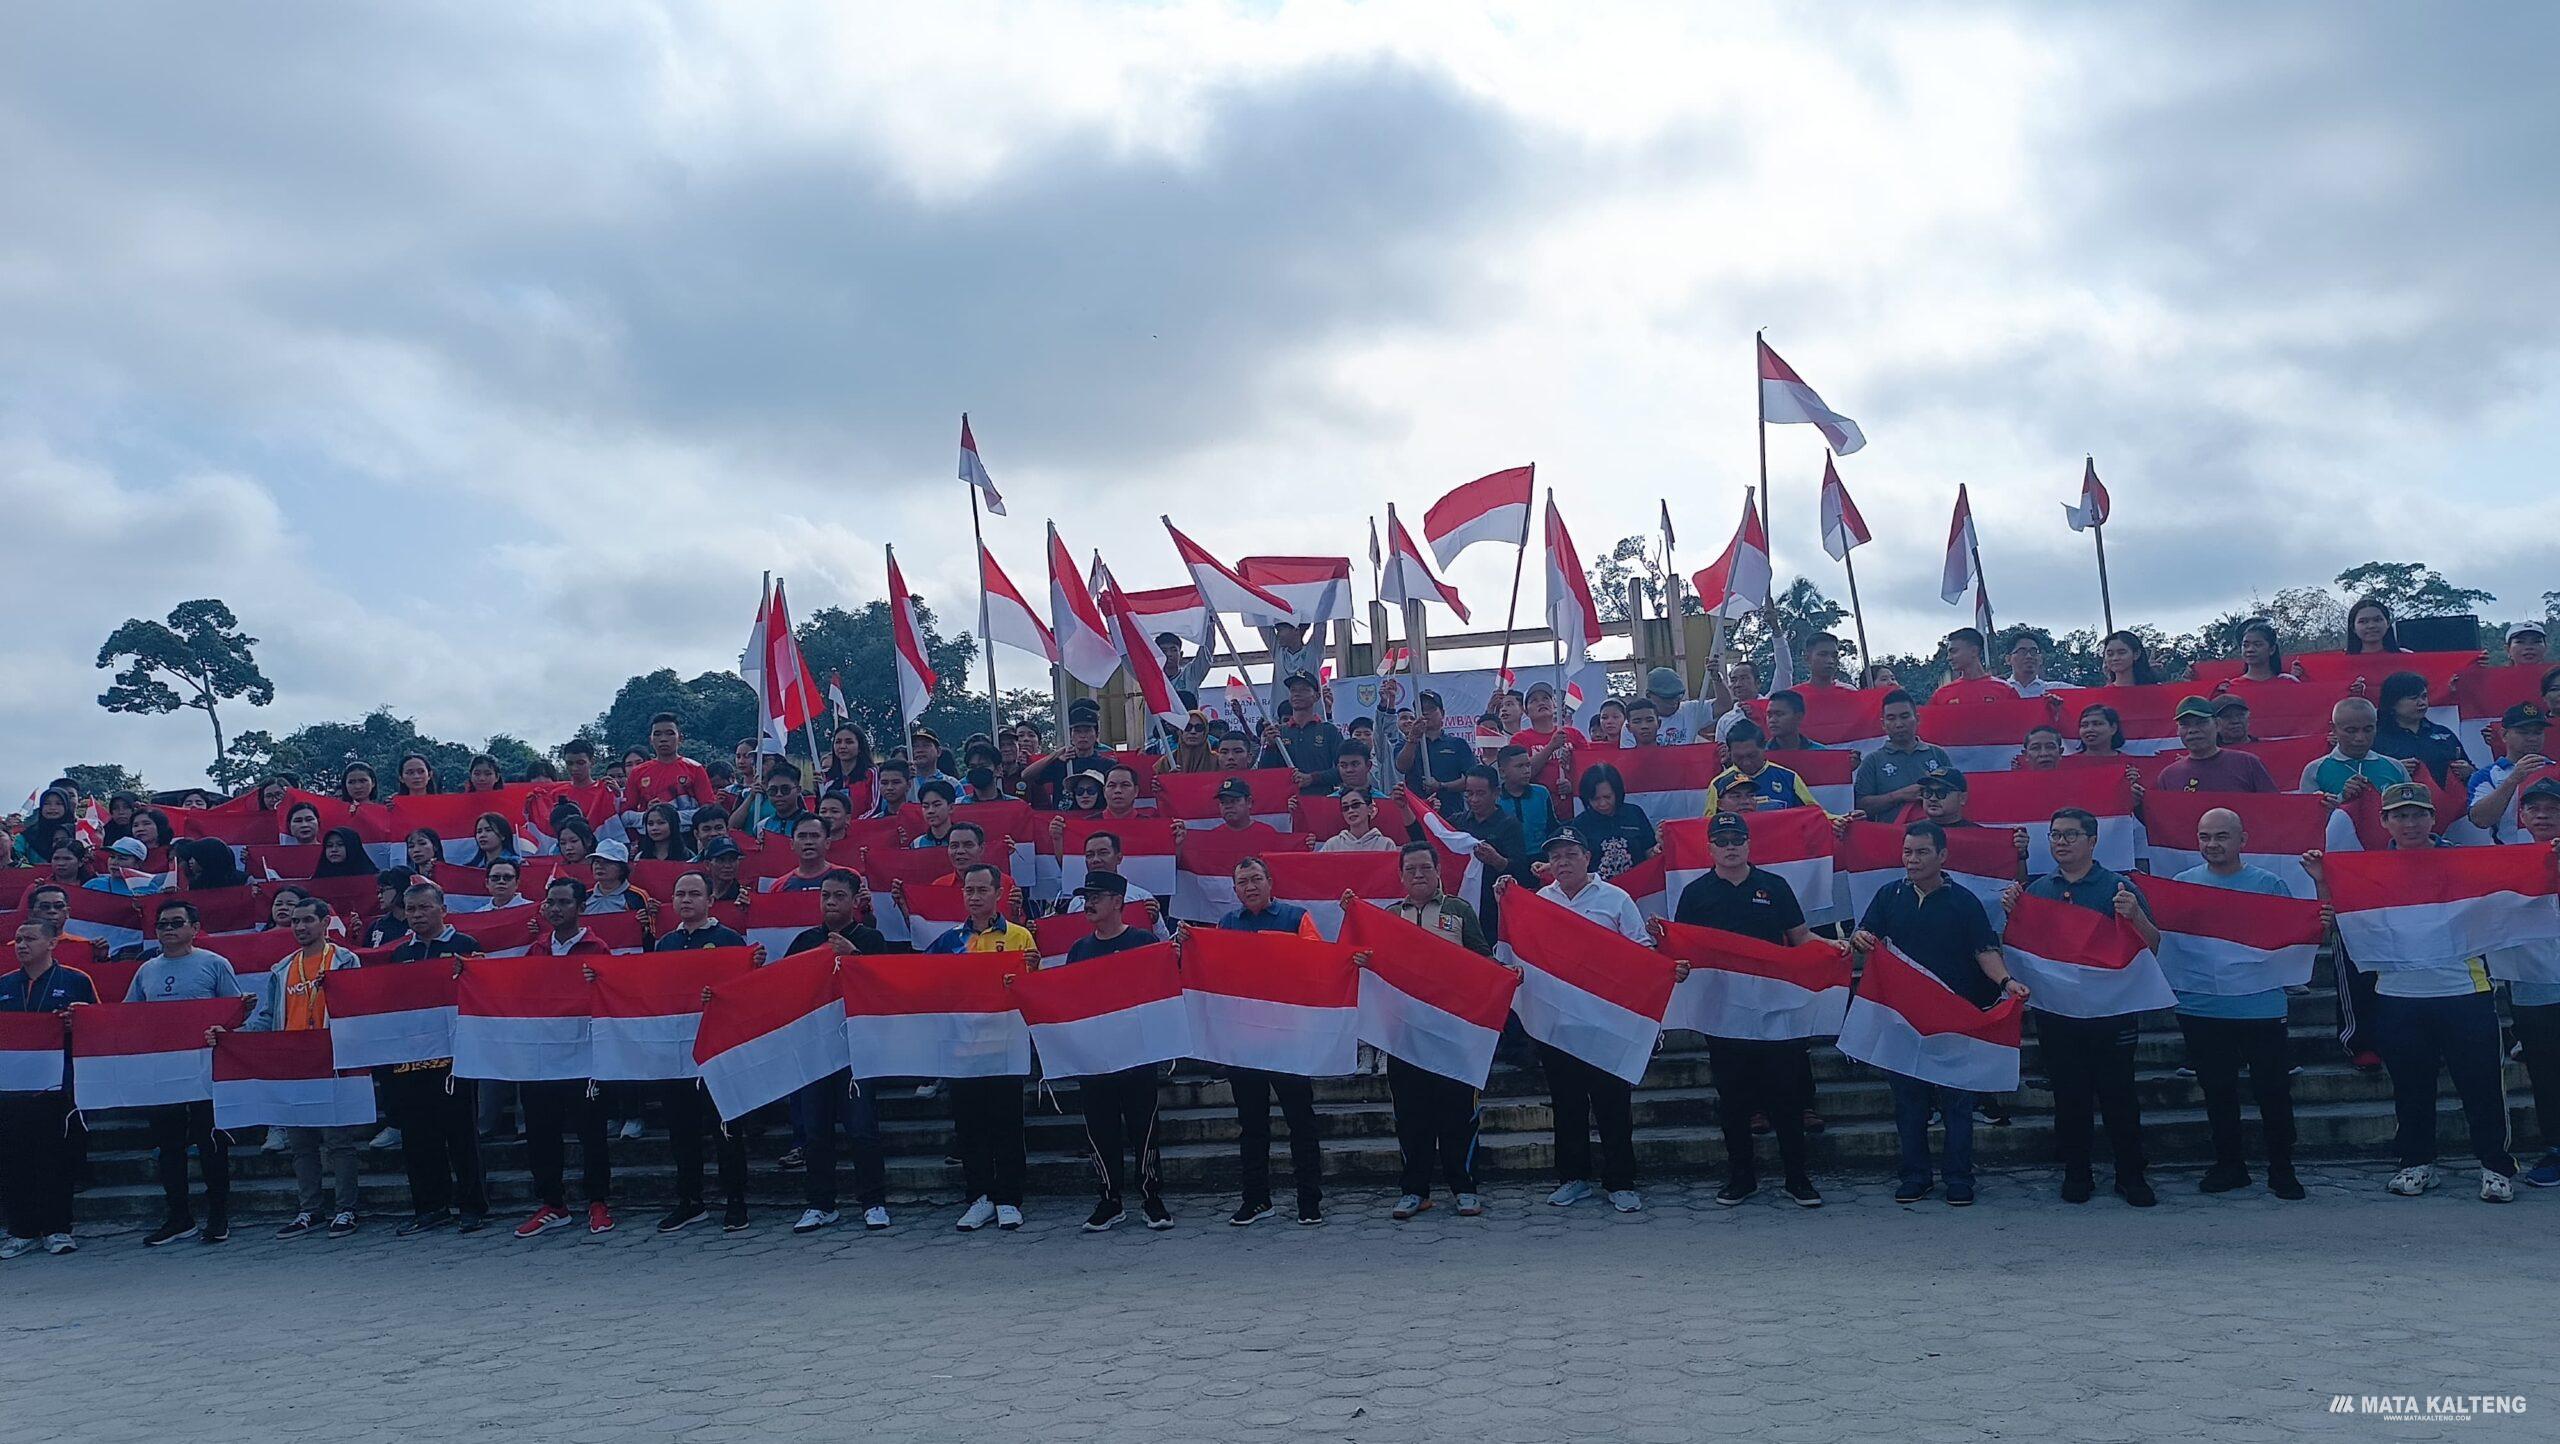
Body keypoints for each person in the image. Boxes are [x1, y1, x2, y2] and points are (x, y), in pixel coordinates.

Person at [2305, 784, 2517, 1202]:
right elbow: (2340, 921)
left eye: (2418, 814)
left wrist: (2544, 864)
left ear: (2433, 819)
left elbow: (2507, 896)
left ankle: (2496, 1166)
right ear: (2385, 822)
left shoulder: (2463, 862)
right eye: (2400, 815)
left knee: (2483, 1086)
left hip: (2464, 990)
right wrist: (2322, 883)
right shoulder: (2370, 870)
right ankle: (2416, 1163)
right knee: (2410, 1087)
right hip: (2399, 996)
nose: (2410, 823)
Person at [1849, 821, 2028, 1206]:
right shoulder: (1887, 895)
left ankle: (1959, 1178)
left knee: (1958, 1104)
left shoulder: (1965, 902)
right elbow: (1865, 937)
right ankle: (1915, 1175)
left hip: (1955, 1015)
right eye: (1908, 852)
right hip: (1903, 1019)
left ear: (1943, 856)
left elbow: (1985, 951)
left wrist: (2006, 983)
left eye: (1922, 852)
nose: (1912, 860)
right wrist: (1860, 939)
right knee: (1908, 1104)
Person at [1667, 812, 1839, 1208]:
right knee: (1734, 1099)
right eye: (1722, 840)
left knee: (1785, 1096)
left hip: (1774, 1007)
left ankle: (1797, 1177)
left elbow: (1800, 937)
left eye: (1737, 840)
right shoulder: (1695, 893)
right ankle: (1741, 1177)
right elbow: (1684, 949)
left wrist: (1832, 949)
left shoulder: (1774, 886)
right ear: (1709, 847)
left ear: (1748, 844)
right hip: (1723, 1011)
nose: (1730, 847)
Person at [2001, 808, 2162, 1208]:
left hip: (2113, 1013)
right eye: (2055, 835)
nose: (2061, 842)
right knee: (2070, 1096)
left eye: (2071, 835)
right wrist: (2014, 915)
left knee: (2118, 1095)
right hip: (2059, 1014)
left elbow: (2154, 946)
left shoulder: (2119, 886)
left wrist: (2135, 915)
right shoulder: (2037, 892)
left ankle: (2130, 1174)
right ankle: (2077, 1172)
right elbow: (2024, 952)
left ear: (2093, 841)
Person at [1505, 831, 1653, 1212]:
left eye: (1571, 854)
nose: (1563, 862)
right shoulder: (1539, 901)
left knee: (1612, 1104)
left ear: (1588, 857)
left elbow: (1641, 949)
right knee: (1567, 1104)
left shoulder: (1615, 899)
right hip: (1559, 1024)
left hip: (1606, 1022)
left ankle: (1620, 1180)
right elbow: (1522, 953)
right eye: (1556, 857)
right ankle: (1573, 1178)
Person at [2171, 808, 2313, 1200]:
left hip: (2259, 1007)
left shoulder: (2268, 884)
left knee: (2273, 1091)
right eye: (2204, 837)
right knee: (2217, 1091)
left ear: (2242, 840)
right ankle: (2229, 1165)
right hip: (2202, 1006)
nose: (2212, 845)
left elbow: (2290, 938)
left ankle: (2282, 1168)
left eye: (2221, 836)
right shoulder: (2183, 885)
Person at [224, 898, 367, 1238]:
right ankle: (309, 1209)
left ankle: (346, 1208)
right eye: (296, 922)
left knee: (338, 1141)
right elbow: (268, 1015)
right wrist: (234, 1036)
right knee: (301, 1142)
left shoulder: (346, 960)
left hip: (332, 1058)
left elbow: (360, 1008)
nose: (300, 927)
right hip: (294, 1060)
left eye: (307, 921)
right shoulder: (282, 968)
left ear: (324, 923)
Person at [1373, 843, 1498, 1220]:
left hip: (1452, 1034)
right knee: (1411, 1116)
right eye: (1410, 869)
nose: (1418, 875)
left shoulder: (1458, 910)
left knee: (1459, 1114)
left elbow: (1483, 960)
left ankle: (1464, 1188)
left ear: (1438, 869)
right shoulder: (1390, 915)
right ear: (1400, 876)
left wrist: (1504, 977)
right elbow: (1377, 966)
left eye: (1424, 867)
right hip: (1406, 1036)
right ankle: (1415, 1191)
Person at [1204, 856, 1328, 1225]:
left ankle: (1310, 1200)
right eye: (1242, 882)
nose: (1250, 887)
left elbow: (1317, 961)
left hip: (1289, 1036)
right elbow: (1215, 974)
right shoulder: (1226, 924)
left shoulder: (1296, 918)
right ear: (1235, 889)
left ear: (1270, 882)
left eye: (1256, 878)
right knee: (1251, 1125)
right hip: (1245, 1040)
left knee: (1301, 1121)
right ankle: (1256, 1200)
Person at [1051, 871, 1174, 1233]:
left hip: (1136, 1057)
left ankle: (1151, 1197)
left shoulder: (1143, 942)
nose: (1089, 903)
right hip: (1094, 1059)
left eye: (1098, 896)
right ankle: (1109, 1199)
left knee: (1144, 1130)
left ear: (1118, 902)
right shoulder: (1079, 949)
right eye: (1086, 896)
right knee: (1100, 1131)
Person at [126, 900, 244, 1246]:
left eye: (177, 923)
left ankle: (219, 1214)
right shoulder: (146, 970)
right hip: (162, 1070)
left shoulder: (214, 964)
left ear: (195, 927)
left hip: (205, 1068)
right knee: (170, 1147)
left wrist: (220, 1029)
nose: (169, 930)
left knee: (211, 1143)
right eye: (162, 924)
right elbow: (131, 1017)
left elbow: (234, 1014)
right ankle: (179, 1217)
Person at [924, 863, 1034, 1232]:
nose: (974, 896)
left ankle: (1009, 1198)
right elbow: (927, 985)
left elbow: (1035, 988)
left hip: (1004, 1045)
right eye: (968, 890)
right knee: (969, 1127)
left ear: (998, 893)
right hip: (963, 1049)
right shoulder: (949, 941)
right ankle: (979, 1197)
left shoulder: (1019, 937)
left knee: (1006, 1125)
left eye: (982, 890)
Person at [504, 879, 616, 1240]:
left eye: (564, 902)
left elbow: (612, 996)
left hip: (583, 1058)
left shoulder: (597, 949)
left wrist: (597, 982)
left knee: (591, 1133)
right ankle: (553, 1203)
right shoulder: (536, 950)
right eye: (550, 902)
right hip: (542, 1058)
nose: (555, 909)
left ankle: (598, 1201)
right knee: (540, 1132)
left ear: (580, 907)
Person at [784, 869, 894, 1234]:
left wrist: (854, 956)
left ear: (853, 900)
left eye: (838, 896)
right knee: (815, 1132)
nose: (830, 903)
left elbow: (886, 986)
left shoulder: (872, 939)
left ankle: (873, 1201)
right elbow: (784, 987)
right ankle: (820, 1204)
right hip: (816, 1050)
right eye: (825, 896)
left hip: (856, 1050)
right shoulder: (804, 941)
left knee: (862, 1128)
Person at [649, 871, 755, 1232]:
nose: (686, 900)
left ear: (710, 900)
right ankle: (690, 1201)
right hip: (677, 1052)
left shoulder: (728, 939)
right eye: (679, 894)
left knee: (725, 1129)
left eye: (694, 893)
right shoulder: (664, 944)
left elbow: (745, 992)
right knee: (681, 1132)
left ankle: (736, 1201)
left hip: (717, 1050)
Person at [385, 884, 488, 1235]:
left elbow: (482, 994)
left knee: (461, 1135)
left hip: (454, 1057)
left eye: (424, 908)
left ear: (443, 908)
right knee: (417, 1137)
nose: (416, 915)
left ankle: (472, 1205)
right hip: (410, 1058)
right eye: (410, 909)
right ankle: (430, 1206)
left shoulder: (465, 947)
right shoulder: (399, 955)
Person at [0, 920, 97, 1258]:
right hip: (11, 1089)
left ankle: (58, 1229)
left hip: (58, 1085)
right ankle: (21, 1230)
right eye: (17, 940)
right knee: (13, 1161)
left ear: (52, 943)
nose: (21, 945)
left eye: (29, 938)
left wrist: (79, 1021)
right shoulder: (4, 985)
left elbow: (99, 1026)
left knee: (55, 1160)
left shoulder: (75, 980)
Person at [2493, 777, 2560, 1188]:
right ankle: (2556, 1148)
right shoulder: (2505, 861)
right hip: (2533, 985)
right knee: (2547, 1073)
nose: (2543, 815)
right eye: (2534, 808)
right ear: (2521, 816)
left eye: (2552, 808)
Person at [1431, 768, 1532, 935]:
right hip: (1460, 901)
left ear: (1496, 793)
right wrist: (1427, 813)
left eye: (1480, 793)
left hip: (1493, 906)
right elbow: (1430, 840)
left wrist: (1498, 861)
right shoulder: (1458, 821)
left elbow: (1522, 871)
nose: (1474, 799)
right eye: (1469, 794)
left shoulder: (1509, 825)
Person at [1852, 690, 1954, 819]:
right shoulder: (1873, 761)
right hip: (1892, 836)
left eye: (1905, 716)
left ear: (1917, 719)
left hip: (1936, 834)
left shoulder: (1938, 754)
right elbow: (1860, 805)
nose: (1899, 724)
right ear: (1883, 724)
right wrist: (1898, 795)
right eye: (1891, 718)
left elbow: (1956, 796)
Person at [2156, 696, 2279, 793]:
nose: (2192, 730)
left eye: (2201, 722)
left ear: (2217, 725)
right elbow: (2163, 821)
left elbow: (2271, 808)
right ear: (2178, 730)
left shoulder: (2247, 764)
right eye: (2185, 724)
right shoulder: (2169, 776)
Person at [2372, 671, 2474, 787]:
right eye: (2413, 698)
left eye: (2424, 696)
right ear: (2392, 703)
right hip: (2397, 802)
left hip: (2446, 802)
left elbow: (2474, 773)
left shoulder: (2444, 733)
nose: (2422, 703)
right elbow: (2362, 776)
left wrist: (2469, 772)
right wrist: (2394, 771)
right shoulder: (2375, 737)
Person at [2464, 703, 2552, 839]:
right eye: (2523, 732)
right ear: (2504, 734)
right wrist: (2512, 780)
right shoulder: (2485, 776)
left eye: (2537, 732)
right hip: (2508, 854)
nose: (2532, 738)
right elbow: (2481, 820)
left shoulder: (2555, 770)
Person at [1704, 720, 1821, 816]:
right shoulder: (1718, 784)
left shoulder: (1789, 778)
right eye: (1739, 757)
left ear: (1764, 747)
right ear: (1729, 752)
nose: (1746, 763)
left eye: (1752, 755)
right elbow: (1706, 826)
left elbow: (1815, 815)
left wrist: (1838, 822)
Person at [1568, 764, 1657, 880]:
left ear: (1617, 793)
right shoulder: (1580, 824)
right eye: (1595, 799)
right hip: (1598, 892)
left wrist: (1657, 849)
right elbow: (1574, 861)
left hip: (1639, 888)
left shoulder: (1634, 813)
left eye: (1607, 797)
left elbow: (1649, 851)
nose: (1602, 804)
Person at [626, 712, 717, 819]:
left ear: (680, 739)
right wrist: (649, 814)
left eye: (670, 733)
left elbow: (709, 809)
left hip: (688, 834)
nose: (663, 739)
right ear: (651, 740)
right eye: (657, 734)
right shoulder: (637, 772)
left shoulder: (695, 768)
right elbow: (627, 813)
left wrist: (671, 815)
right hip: (649, 834)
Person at [1259, 672, 1346, 780]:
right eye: (1293, 690)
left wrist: (1312, 778)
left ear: (1317, 696)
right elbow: (1265, 774)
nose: (1297, 694)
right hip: (1288, 796)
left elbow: (1344, 770)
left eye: (1304, 690)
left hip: (1320, 795)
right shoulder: (1279, 733)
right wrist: (1271, 747)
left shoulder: (1329, 731)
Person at [1396, 689, 1477, 803]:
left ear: (1442, 713)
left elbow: (1472, 779)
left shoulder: (1458, 744)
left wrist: (1441, 786)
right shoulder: (1405, 744)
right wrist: (1413, 739)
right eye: (1421, 709)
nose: (1425, 713)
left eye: (1431, 709)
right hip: (1417, 812)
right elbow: (1402, 767)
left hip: (1451, 814)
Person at [1509, 681, 1590, 788]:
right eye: (1534, 700)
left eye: (1546, 698)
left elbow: (1589, 768)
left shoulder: (1573, 734)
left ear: (1554, 705)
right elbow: (1522, 774)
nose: (1541, 703)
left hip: (1573, 802)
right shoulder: (1519, 739)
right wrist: (1551, 747)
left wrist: (1573, 784)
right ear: (1526, 711)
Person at [1494, 744, 1557, 852]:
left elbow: (1552, 827)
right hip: (1507, 860)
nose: (1526, 770)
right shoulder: (1495, 799)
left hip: (1540, 857)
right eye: (1520, 766)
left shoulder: (1541, 793)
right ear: (1502, 772)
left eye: (1528, 765)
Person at [1640, 666, 1719, 745]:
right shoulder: (1637, 722)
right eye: (1666, 698)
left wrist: (1717, 678)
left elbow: (1724, 706)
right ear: (1649, 695)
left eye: (1678, 696)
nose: (1674, 701)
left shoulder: (1690, 710)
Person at [1933, 628, 2013, 705]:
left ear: (1974, 651)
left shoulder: (2005, 690)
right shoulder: (1942, 695)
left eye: (1954, 651)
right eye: (1949, 653)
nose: (1949, 658)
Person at [1316, 789, 1398, 853]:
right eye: (1345, 807)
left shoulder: (1386, 844)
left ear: (1370, 808)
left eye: (1355, 805)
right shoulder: (1332, 844)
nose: (1350, 810)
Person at [2004, 634, 2072, 698]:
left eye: (2034, 651)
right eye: (2022, 651)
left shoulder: (2058, 691)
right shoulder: (1999, 691)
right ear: (2008, 659)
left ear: (2040, 659)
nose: (2029, 656)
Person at [2235, 618, 2294, 683]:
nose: (2250, 649)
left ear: (2272, 649)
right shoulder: (2230, 687)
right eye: (2245, 645)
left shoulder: (2289, 683)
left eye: (2257, 645)